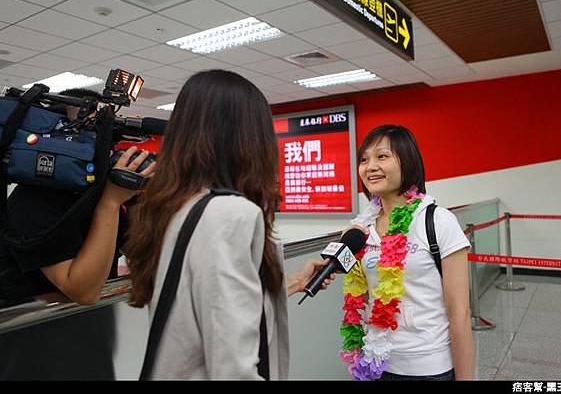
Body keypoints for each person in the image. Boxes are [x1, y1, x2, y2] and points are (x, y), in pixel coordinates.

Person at [124, 70, 335, 380]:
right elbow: (232, 365)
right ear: (250, 139)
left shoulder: (176, 207)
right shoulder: (229, 214)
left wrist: (292, 283)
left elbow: (213, 304)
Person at [339, 125, 474, 381]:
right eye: (364, 159)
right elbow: (357, 295)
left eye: (382, 156)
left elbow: (460, 313)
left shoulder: (438, 221)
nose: (370, 167)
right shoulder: (361, 229)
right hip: (376, 364)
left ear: (407, 160)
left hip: (428, 367)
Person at [0, 89, 155, 306]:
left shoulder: (95, 191)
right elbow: (83, 292)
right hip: (29, 332)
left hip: (86, 328)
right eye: (89, 136)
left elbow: (146, 260)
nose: (99, 148)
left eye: (105, 139)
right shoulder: (32, 202)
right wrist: (110, 202)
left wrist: (133, 195)